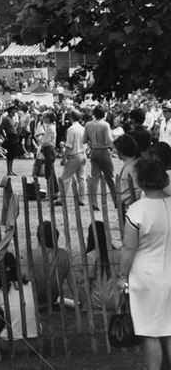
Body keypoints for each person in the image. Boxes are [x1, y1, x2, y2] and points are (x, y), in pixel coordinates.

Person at [118, 156, 171, 370]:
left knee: (150, 331)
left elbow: (129, 248)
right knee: (169, 329)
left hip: (146, 276)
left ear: (140, 180)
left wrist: (122, 276)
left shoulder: (137, 210)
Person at [28, 221, 72, 311]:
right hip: (51, 299)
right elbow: (73, 282)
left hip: (33, 301)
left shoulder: (30, 255)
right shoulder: (63, 255)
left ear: (38, 237)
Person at [84, 105, 117, 212]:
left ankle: (94, 202)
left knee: (95, 178)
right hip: (104, 151)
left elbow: (84, 140)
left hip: (94, 151)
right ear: (104, 114)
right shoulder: (105, 124)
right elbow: (109, 140)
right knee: (110, 178)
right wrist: (115, 149)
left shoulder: (88, 124)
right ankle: (116, 201)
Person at [56, 111, 87, 207]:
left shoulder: (71, 129)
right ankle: (82, 199)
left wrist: (64, 158)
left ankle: (61, 198)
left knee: (65, 178)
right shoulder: (83, 128)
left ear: (71, 118)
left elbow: (69, 146)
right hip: (83, 154)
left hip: (74, 155)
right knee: (81, 178)